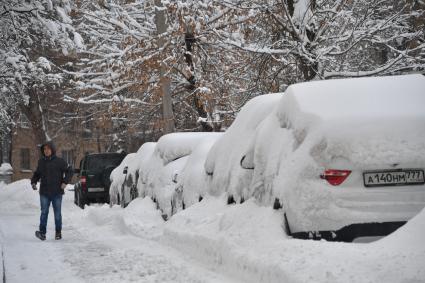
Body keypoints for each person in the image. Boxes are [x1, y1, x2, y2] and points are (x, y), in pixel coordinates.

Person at [31, 141, 73, 241]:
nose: (46, 151)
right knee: (44, 212)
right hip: (44, 192)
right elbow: (37, 173)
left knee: (57, 214)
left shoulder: (59, 161)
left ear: (52, 150)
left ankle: (58, 232)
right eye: (44, 149)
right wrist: (33, 182)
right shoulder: (41, 161)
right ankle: (42, 233)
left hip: (57, 192)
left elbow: (70, 170)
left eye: (48, 149)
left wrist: (65, 182)